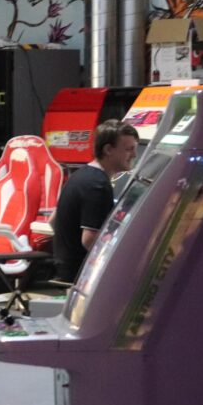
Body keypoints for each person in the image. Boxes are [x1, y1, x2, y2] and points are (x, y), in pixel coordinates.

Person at [52, 119, 140, 283]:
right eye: (129, 149)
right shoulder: (97, 185)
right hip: (79, 272)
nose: (134, 155)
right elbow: (89, 240)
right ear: (108, 149)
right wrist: (120, 261)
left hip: (66, 266)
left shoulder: (81, 174)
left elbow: (53, 220)